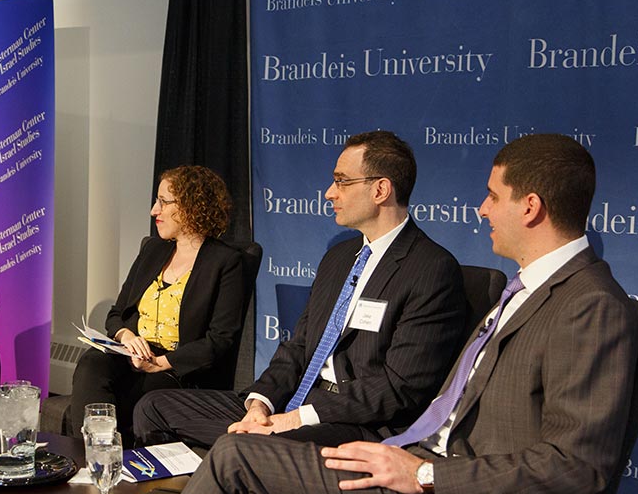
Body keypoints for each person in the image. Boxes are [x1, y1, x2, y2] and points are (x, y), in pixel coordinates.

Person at [13, 133, 638, 494]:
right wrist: (268, 404)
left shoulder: (591, 307)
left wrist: (420, 471)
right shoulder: (523, 291)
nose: (480, 209)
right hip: (407, 472)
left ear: (530, 206)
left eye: (493, 197)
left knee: (236, 457)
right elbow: (306, 350)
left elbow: (576, 466)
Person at [134, 131, 466, 449]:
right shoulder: (338, 258)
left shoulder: (431, 269)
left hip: (352, 424)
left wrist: (298, 418)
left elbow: (398, 389)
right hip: (294, 403)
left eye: (341, 181)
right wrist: (260, 404)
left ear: (380, 190)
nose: (329, 193)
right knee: (154, 406)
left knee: (248, 446)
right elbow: (300, 346)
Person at [70, 165, 249, 439]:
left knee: (137, 399)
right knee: (92, 363)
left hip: (175, 370)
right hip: (130, 357)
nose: (155, 210)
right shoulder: (153, 250)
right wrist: (126, 335)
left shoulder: (224, 262)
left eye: (163, 202)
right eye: (157, 201)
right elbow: (116, 314)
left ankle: (114, 462)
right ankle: (93, 458)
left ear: (191, 205)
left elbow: (220, 340)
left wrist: (161, 362)